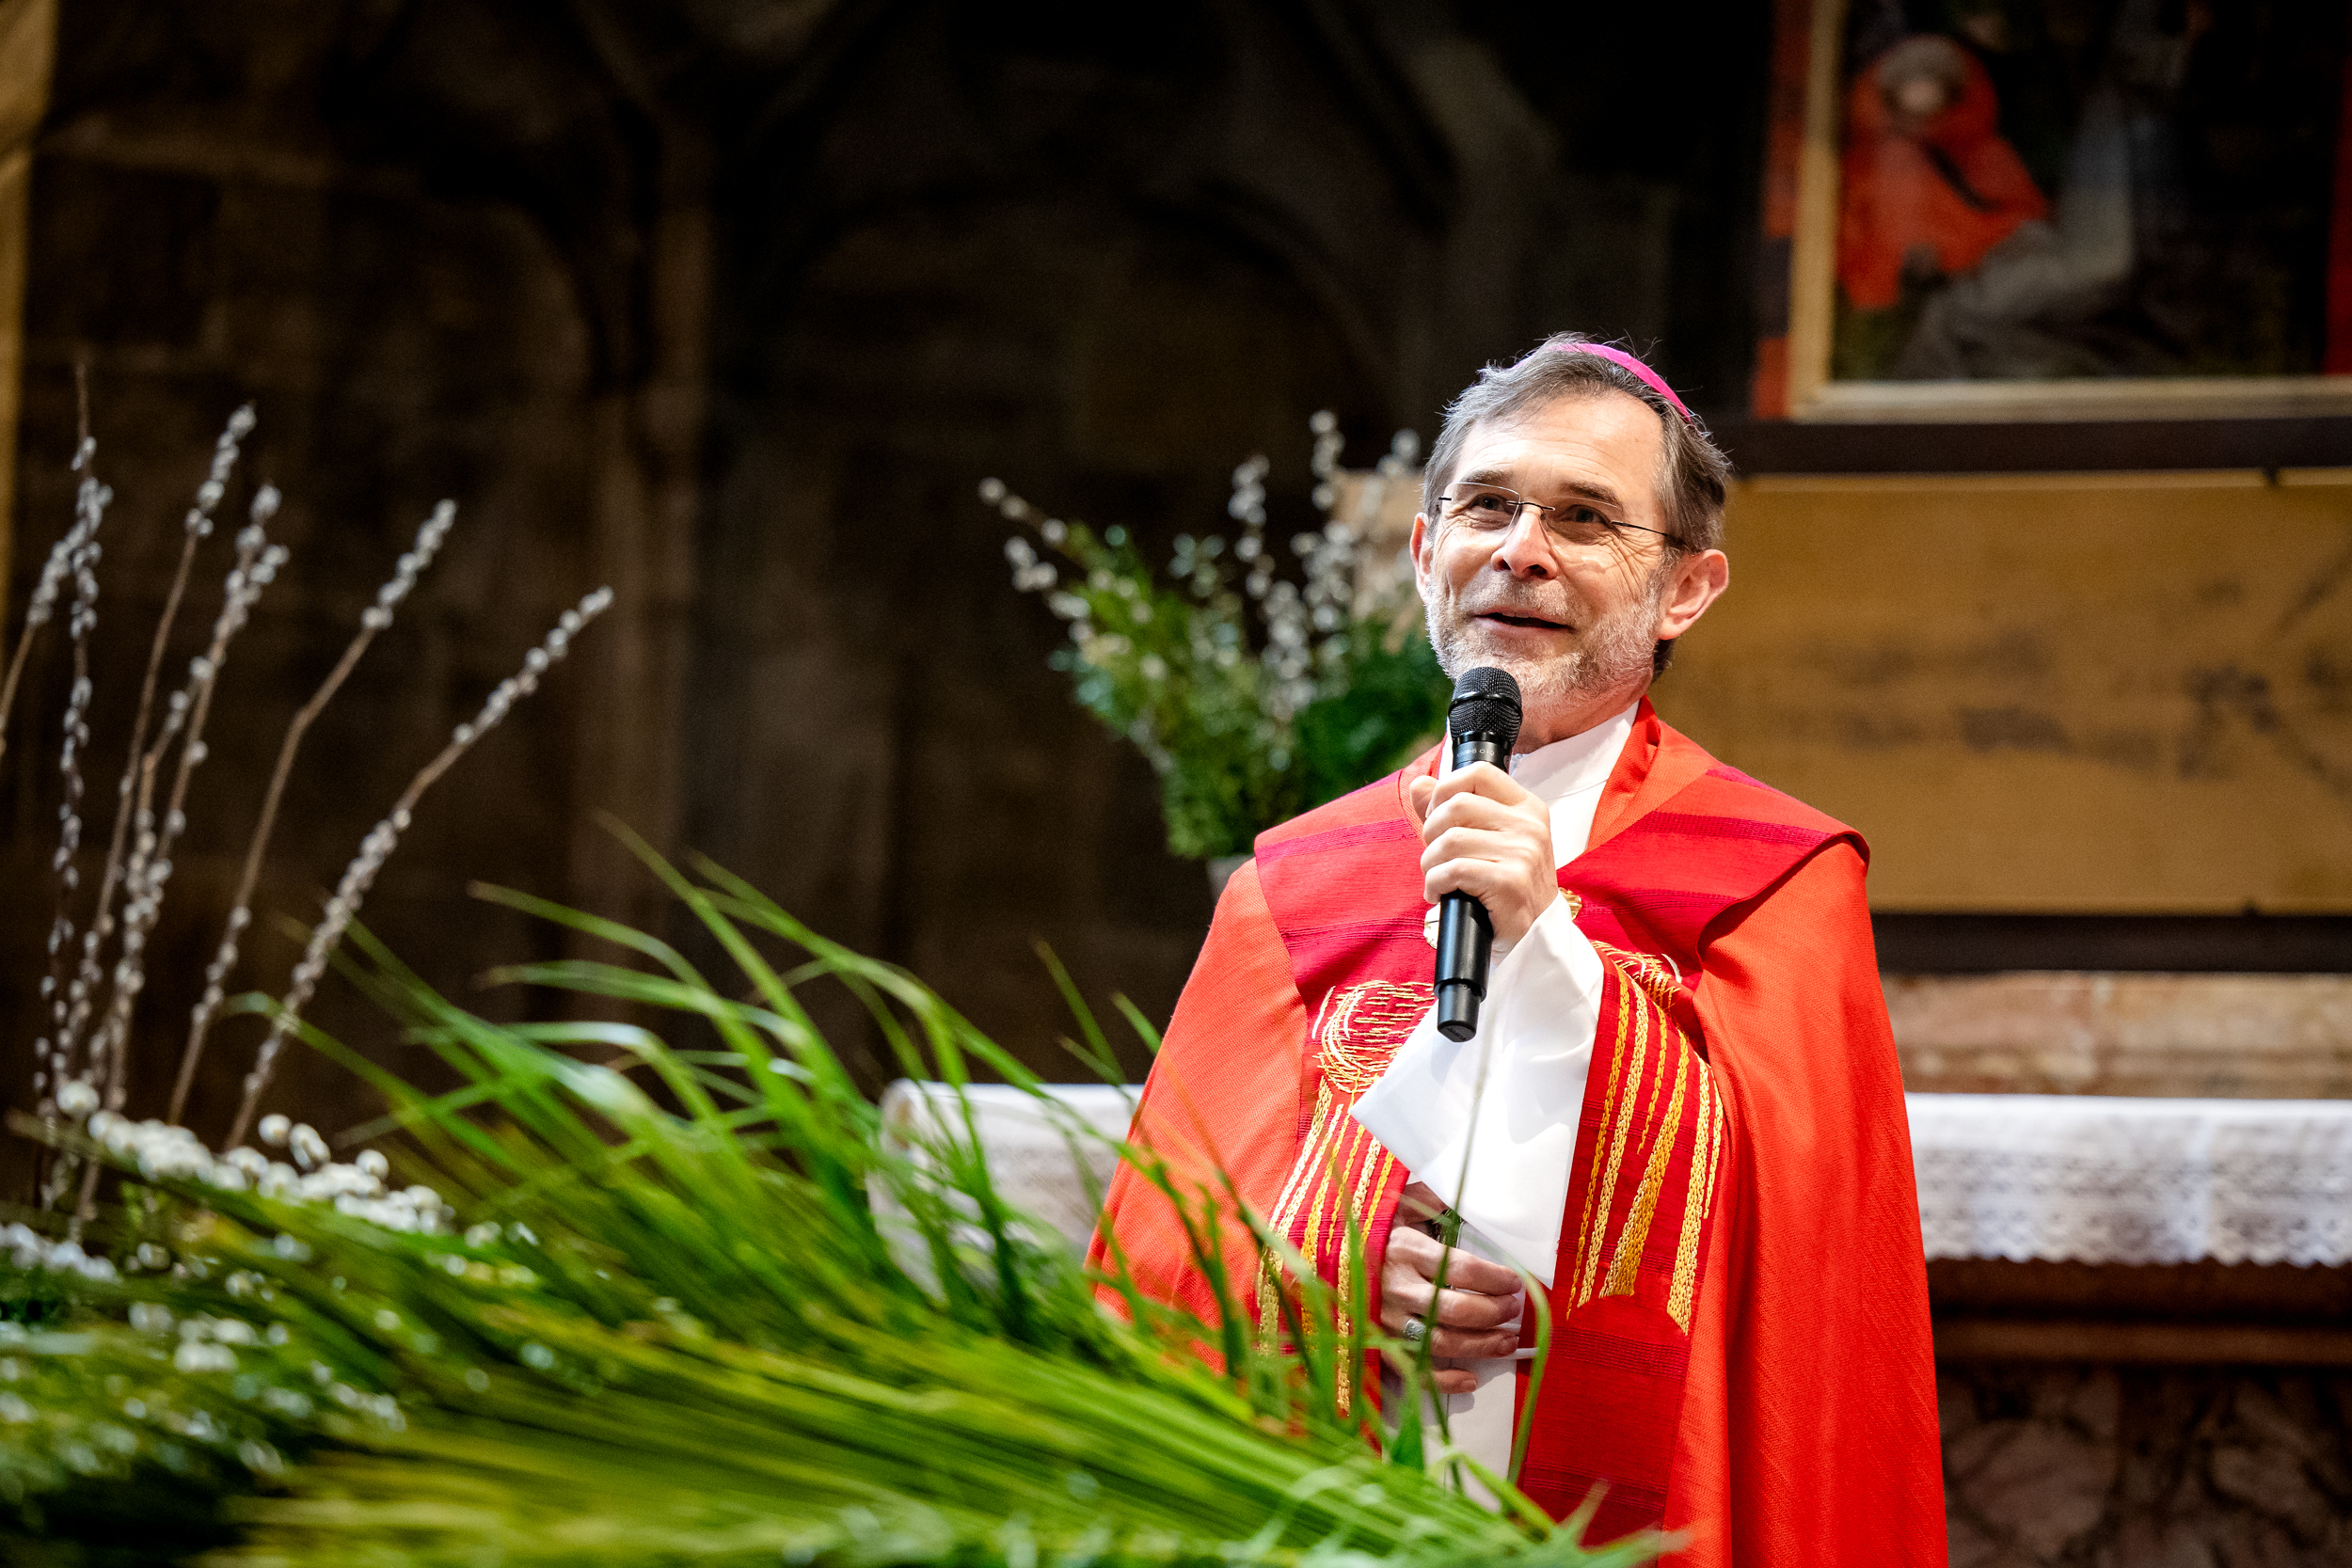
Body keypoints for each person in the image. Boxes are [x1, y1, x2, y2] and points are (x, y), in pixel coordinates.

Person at [1087, 335, 1947, 1565]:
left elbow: (1804, 1266)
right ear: (1423, 552)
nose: (1521, 550)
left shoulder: (1776, 880)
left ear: (1686, 590)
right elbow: (1161, 1245)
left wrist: (1547, 941)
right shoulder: (1294, 883)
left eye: (1585, 519)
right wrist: (1337, 1267)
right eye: (1487, 506)